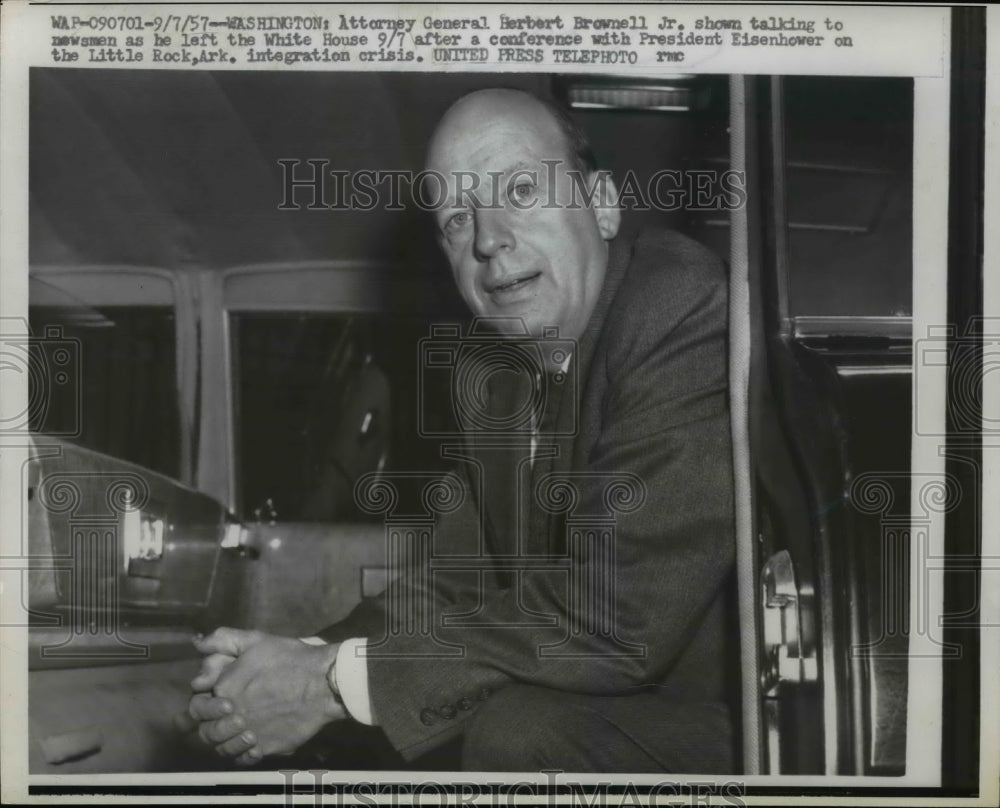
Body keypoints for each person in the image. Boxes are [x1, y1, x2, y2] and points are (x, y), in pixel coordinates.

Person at [178, 88, 737, 772]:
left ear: (603, 204)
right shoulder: (491, 376)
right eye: (456, 218)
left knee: (515, 731)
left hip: (729, 727)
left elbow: (617, 619)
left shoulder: (675, 304)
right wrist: (305, 658)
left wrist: (331, 687)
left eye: (521, 189)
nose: (489, 238)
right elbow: (451, 582)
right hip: (606, 703)